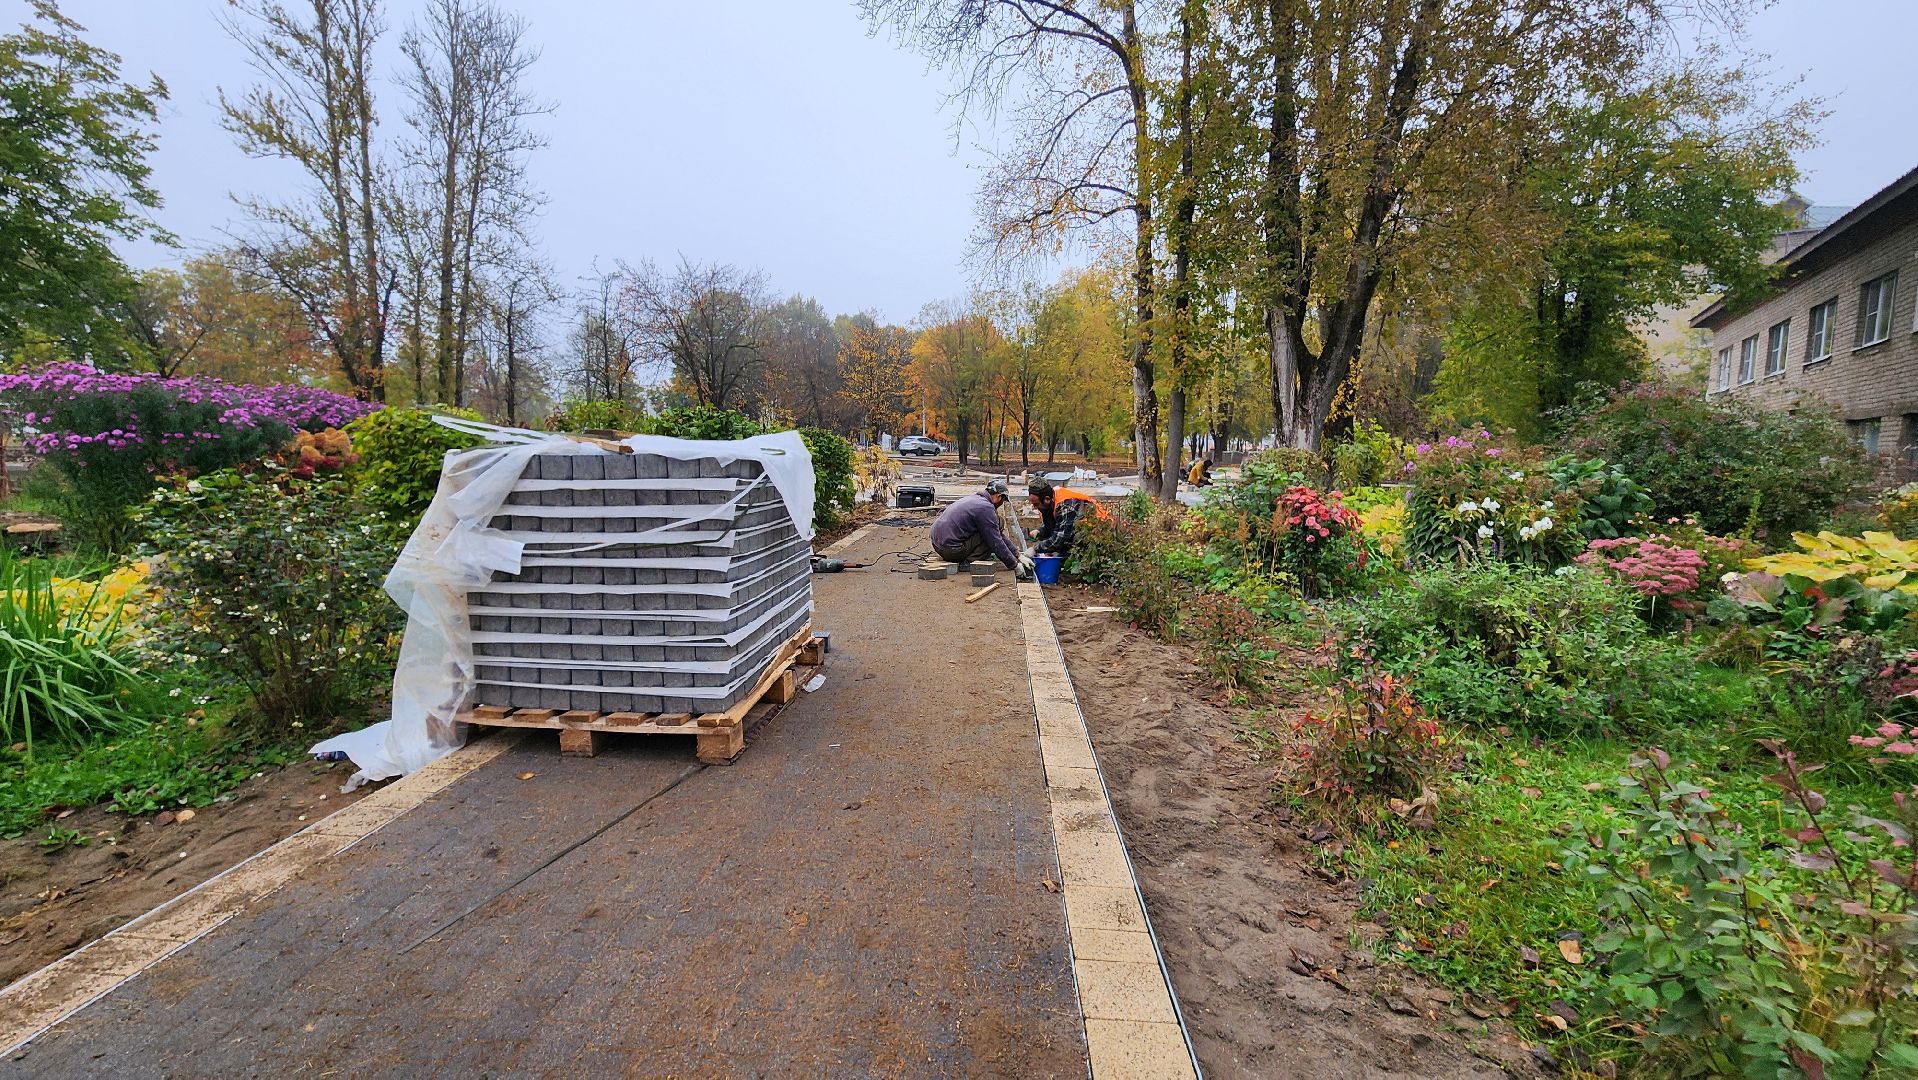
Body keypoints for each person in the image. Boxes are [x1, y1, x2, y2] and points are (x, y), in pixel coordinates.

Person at [931, 478, 1034, 578]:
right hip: (951, 550)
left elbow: (999, 535)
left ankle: (966, 556)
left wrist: (1018, 555)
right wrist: (1014, 565)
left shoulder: (976, 500)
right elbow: (996, 541)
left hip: (938, 545)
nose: (1002, 503)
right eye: (1003, 500)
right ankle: (968, 562)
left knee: (995, 526)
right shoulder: (986, 508)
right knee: (993, 531)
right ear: (998, 496)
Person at [1026, 478, 1110, 559]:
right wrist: (1040, 531)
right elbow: (1055, 523)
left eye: (1036, 504)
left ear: (1046, 499)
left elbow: (1060, 538)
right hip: (1086, 531)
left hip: (1101, 533)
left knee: (1074, 538)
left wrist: (1035, 549)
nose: (1035, 507)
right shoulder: (1051, 498)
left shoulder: (1066, 505)